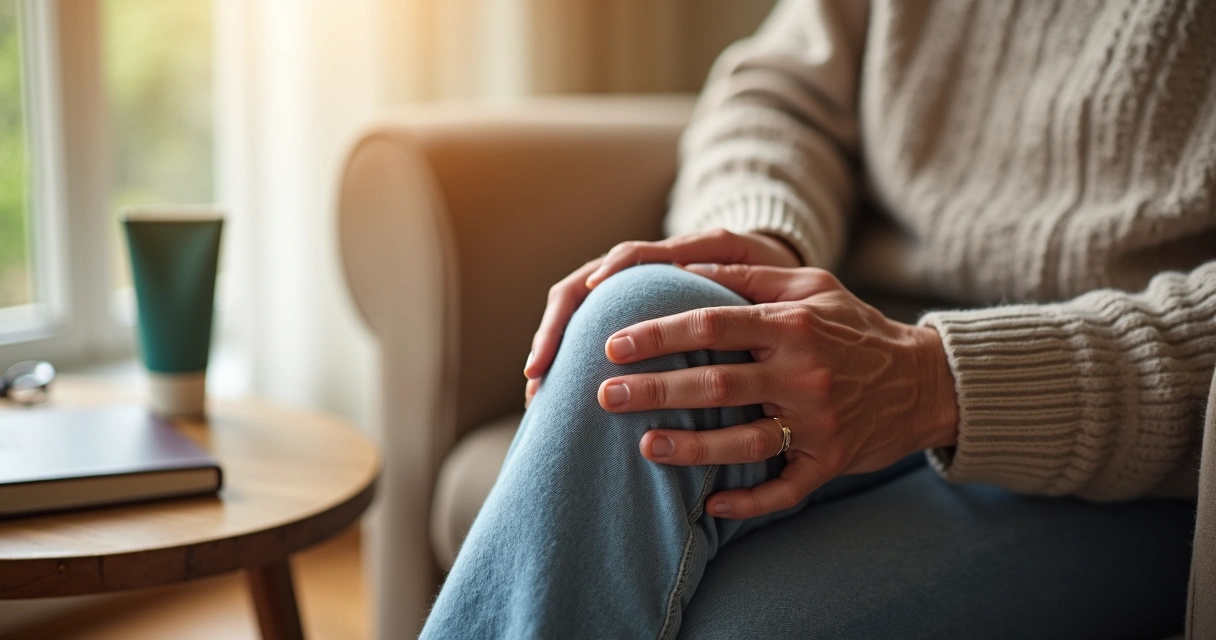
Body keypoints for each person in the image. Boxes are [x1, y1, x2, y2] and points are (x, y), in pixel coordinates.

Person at [421, 0, 1216, 637]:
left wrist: (936, 382)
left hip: (1125, 457)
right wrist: (764, 252)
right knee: (637, 318)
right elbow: (777, 96)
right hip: (853, 329)